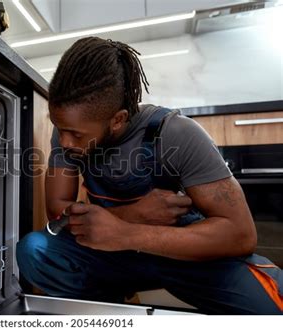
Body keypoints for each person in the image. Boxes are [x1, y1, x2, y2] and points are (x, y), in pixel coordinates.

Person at [16, 37, 283, 314]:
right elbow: (57, 213)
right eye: (61, 129)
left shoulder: (176, 133)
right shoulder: (68, 132)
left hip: (187, 255)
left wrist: (129, 233)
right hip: (113, 254)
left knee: (271, 312)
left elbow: (240, 235)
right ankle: (110, 309)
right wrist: (133, 216)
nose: (66, 141)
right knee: (34, 251)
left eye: (77, 134)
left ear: (117, 120)